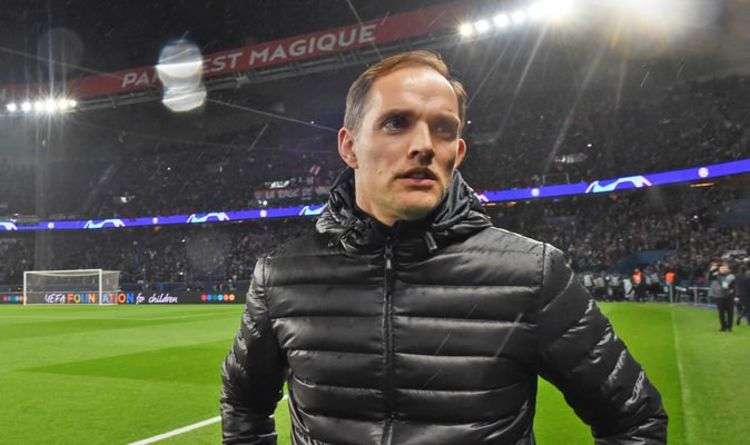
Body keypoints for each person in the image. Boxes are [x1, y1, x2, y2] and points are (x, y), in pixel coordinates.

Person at [220, 50, 667, 444]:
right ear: (349, 146)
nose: (423, 146)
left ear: (459, 152)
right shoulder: (280, 276)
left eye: (443, 130)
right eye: (396, 123)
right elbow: (244, 405)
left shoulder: (533, 275)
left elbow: (633, 419)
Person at [709, 261, 736, 332]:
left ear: (728, 269)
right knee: (721, 313)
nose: (723, 269)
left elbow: (725, 286)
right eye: (722, 268)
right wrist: (712, 270)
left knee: (730, 313)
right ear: (719, 269)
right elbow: (710, 277)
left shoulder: (731, 276)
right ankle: (723, 327)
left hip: (729, 297)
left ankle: (729, 327)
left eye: (725, 268)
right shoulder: (717, 275)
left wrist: (718, 277)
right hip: (719, 297)